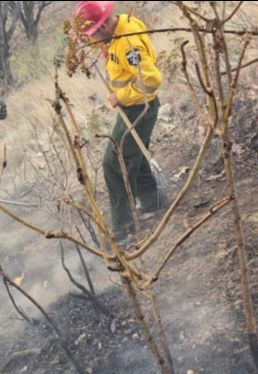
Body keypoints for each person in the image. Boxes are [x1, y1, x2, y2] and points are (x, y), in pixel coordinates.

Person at [73, 1, 164, 244]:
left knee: (114, 163)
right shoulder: (118, 29)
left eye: (91, 34)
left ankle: (123, 227)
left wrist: (120, 96)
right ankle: (153, 200)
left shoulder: (127, 43)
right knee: (135, 155)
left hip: (139, 109)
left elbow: (151, 80)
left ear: (103, 27)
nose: (90, 40)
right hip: (133, 106)